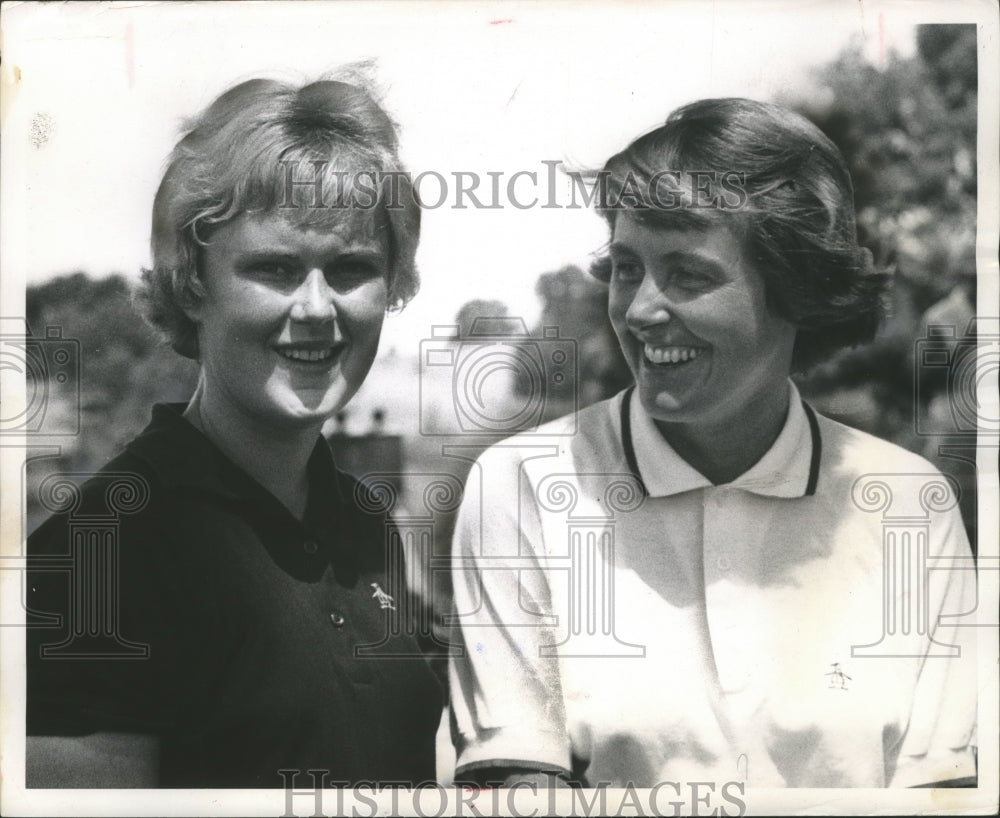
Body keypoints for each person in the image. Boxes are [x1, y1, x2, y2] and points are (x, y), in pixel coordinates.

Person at [448, 98, 977, 789]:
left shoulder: (912, 502)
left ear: (794, 290)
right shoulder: (521, 484)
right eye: (627, 267)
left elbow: (940, 790)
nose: (638, 311)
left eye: (689, 275)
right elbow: (519, 786)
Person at [26, 75, 442, 787]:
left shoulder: (367, 524)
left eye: (351, 270)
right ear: (193, 281)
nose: (317, 309)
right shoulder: (102, 550)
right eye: (275, 269)